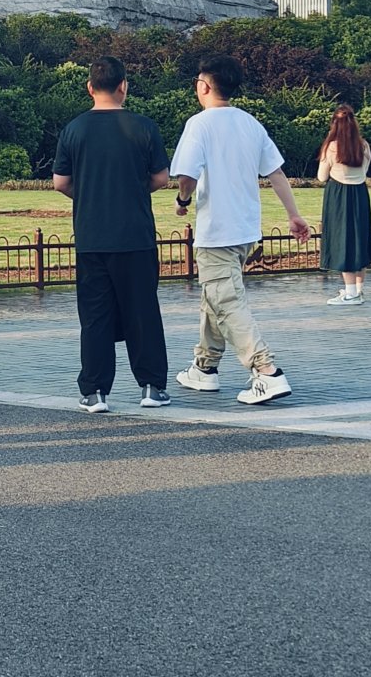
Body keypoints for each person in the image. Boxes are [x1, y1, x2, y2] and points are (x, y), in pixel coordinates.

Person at [167, 54, 306, 402]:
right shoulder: (250, 123)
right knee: (215, 296)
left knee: (226, 301)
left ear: (204, 86)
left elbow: (186, 174)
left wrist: (183, 201)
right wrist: (293, 214)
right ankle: (204, 368)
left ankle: (266, 371)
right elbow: (274, 172)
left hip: (217, 230)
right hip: (245, 229)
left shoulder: (199, 124)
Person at [52, 55, 173, 410]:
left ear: (90, 87)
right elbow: (161, 178)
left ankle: (94, 391)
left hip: (92, 237)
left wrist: (88, 192)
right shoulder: (144, 126)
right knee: (142, 312)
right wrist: (132, 189)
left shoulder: (74, 129)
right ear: (124, 86)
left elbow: (61, 182)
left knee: (95, 316)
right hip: (135, 235)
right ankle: (151, 387)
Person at [315, 102, 371, 304]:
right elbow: (364, 171)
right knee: (359, 239)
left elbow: (322, 176)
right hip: (359, 193)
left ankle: (350, 294)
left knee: (344, 241)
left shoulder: (332, 147)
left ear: (334, 124)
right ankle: (358, 290)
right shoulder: (364, 145)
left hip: (339, 196)